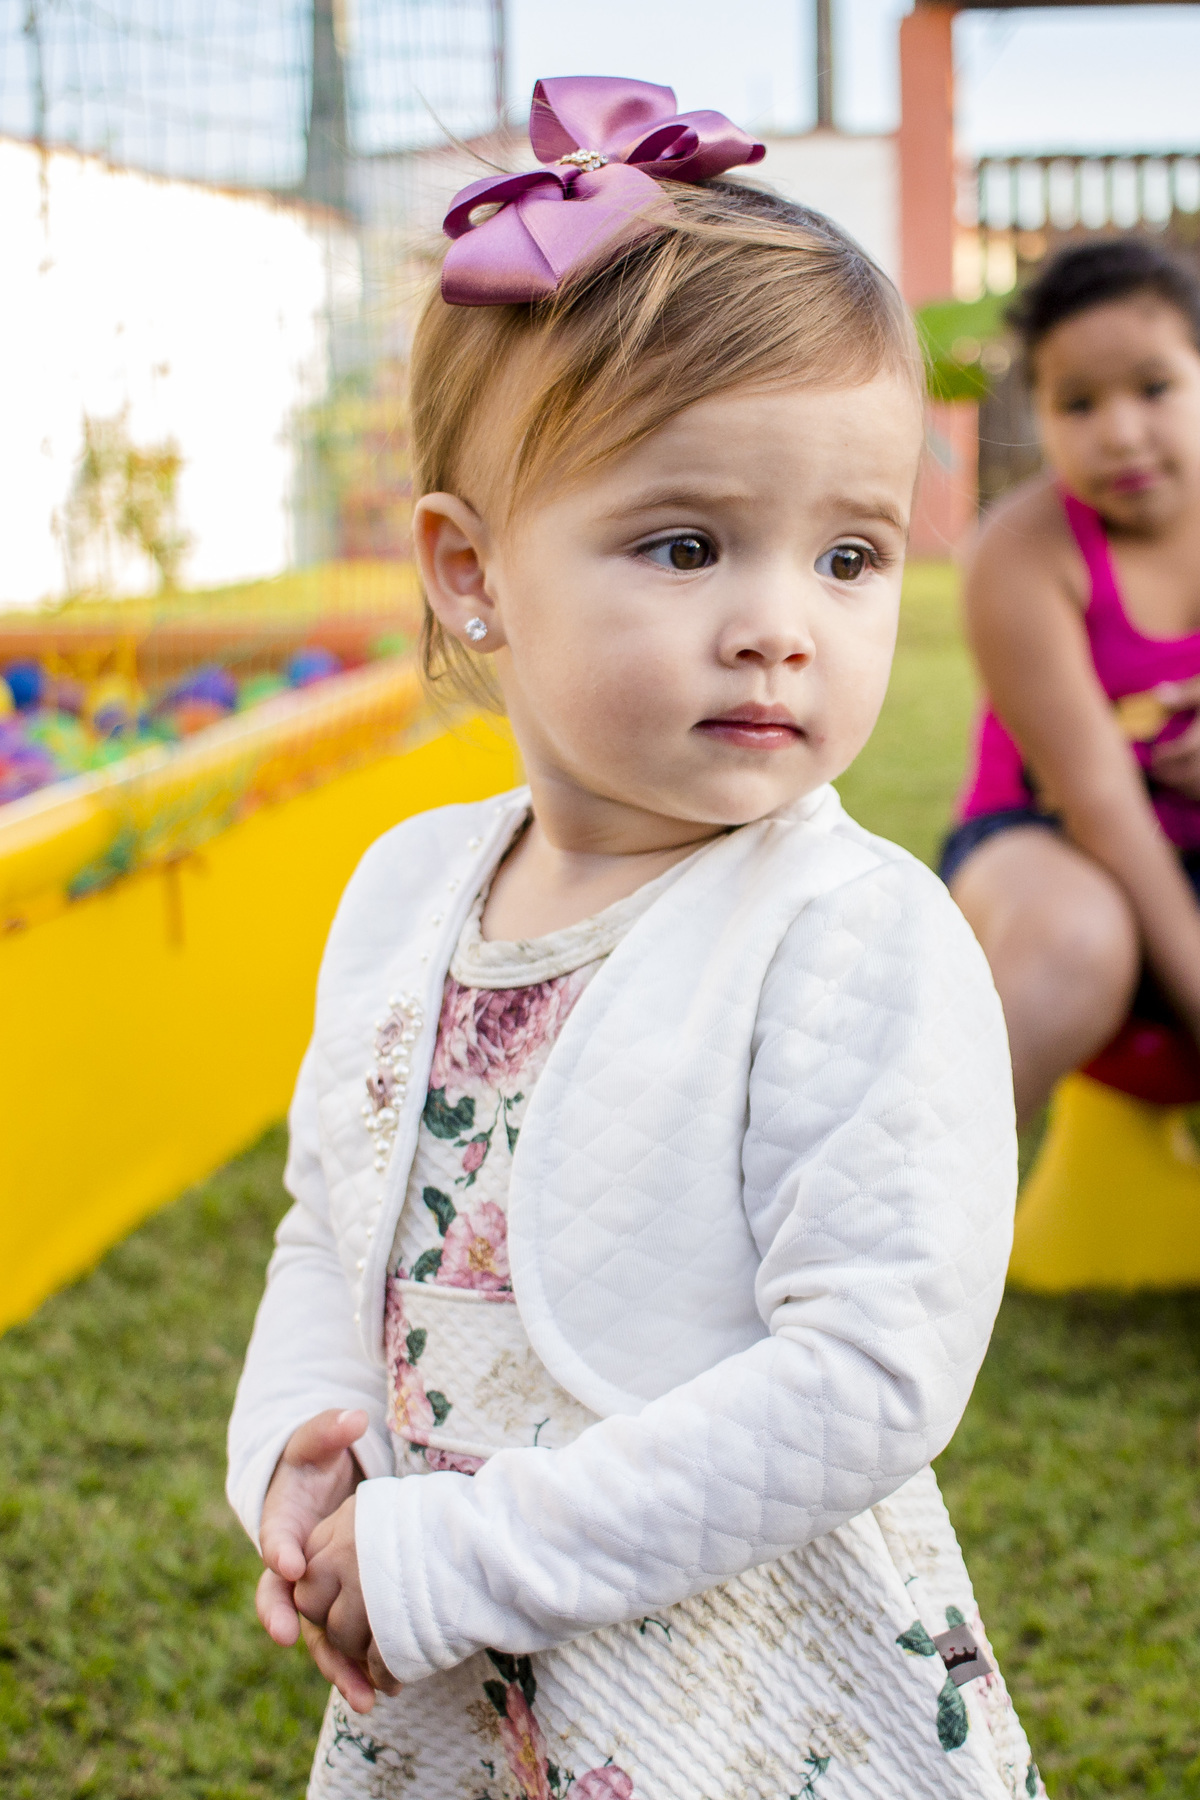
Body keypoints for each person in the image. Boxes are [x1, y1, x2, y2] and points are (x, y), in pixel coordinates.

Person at [228, 76, 1038, 1800]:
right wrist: (294, 1464)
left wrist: (458, 1557)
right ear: (472, 574)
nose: (777, 629)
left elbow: (869, 1377)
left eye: (848, 556)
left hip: (742, 1682)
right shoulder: (405, 894)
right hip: (455, 1667)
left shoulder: (854, 936)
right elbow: (335, 1222)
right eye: (686, 545)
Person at [941, 238, 1200, 1126]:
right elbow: (1099, 803)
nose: (1120, 432)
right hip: (1050, 843)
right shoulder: (1023, 551)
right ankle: (897, 1204)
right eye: (1078, 403)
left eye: (1155, 387)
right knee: (1074, 938)